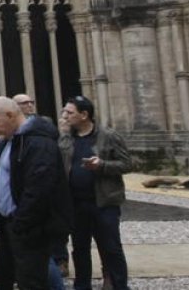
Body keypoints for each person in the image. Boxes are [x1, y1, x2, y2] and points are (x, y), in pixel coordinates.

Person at [0, 96, 72, 290]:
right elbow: (5, 176)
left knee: (31, 280)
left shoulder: (38, 142)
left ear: (10, 115)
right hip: (8, 225)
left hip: (28, 228)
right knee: (6, 276)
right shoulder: (7, 142)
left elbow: (39, 189)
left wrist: (20, 223)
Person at [58, 95, 131, 290]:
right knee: (80, 248)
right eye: (64, 112)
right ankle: (82, 286)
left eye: (69, 112)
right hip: (76, 203)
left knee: (111, 248)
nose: (64, 116)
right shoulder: (66, 137)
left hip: (103, 202)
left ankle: (119, 286)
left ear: (84, 115)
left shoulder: (108, 136)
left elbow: (127, 164)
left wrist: (102, 165)